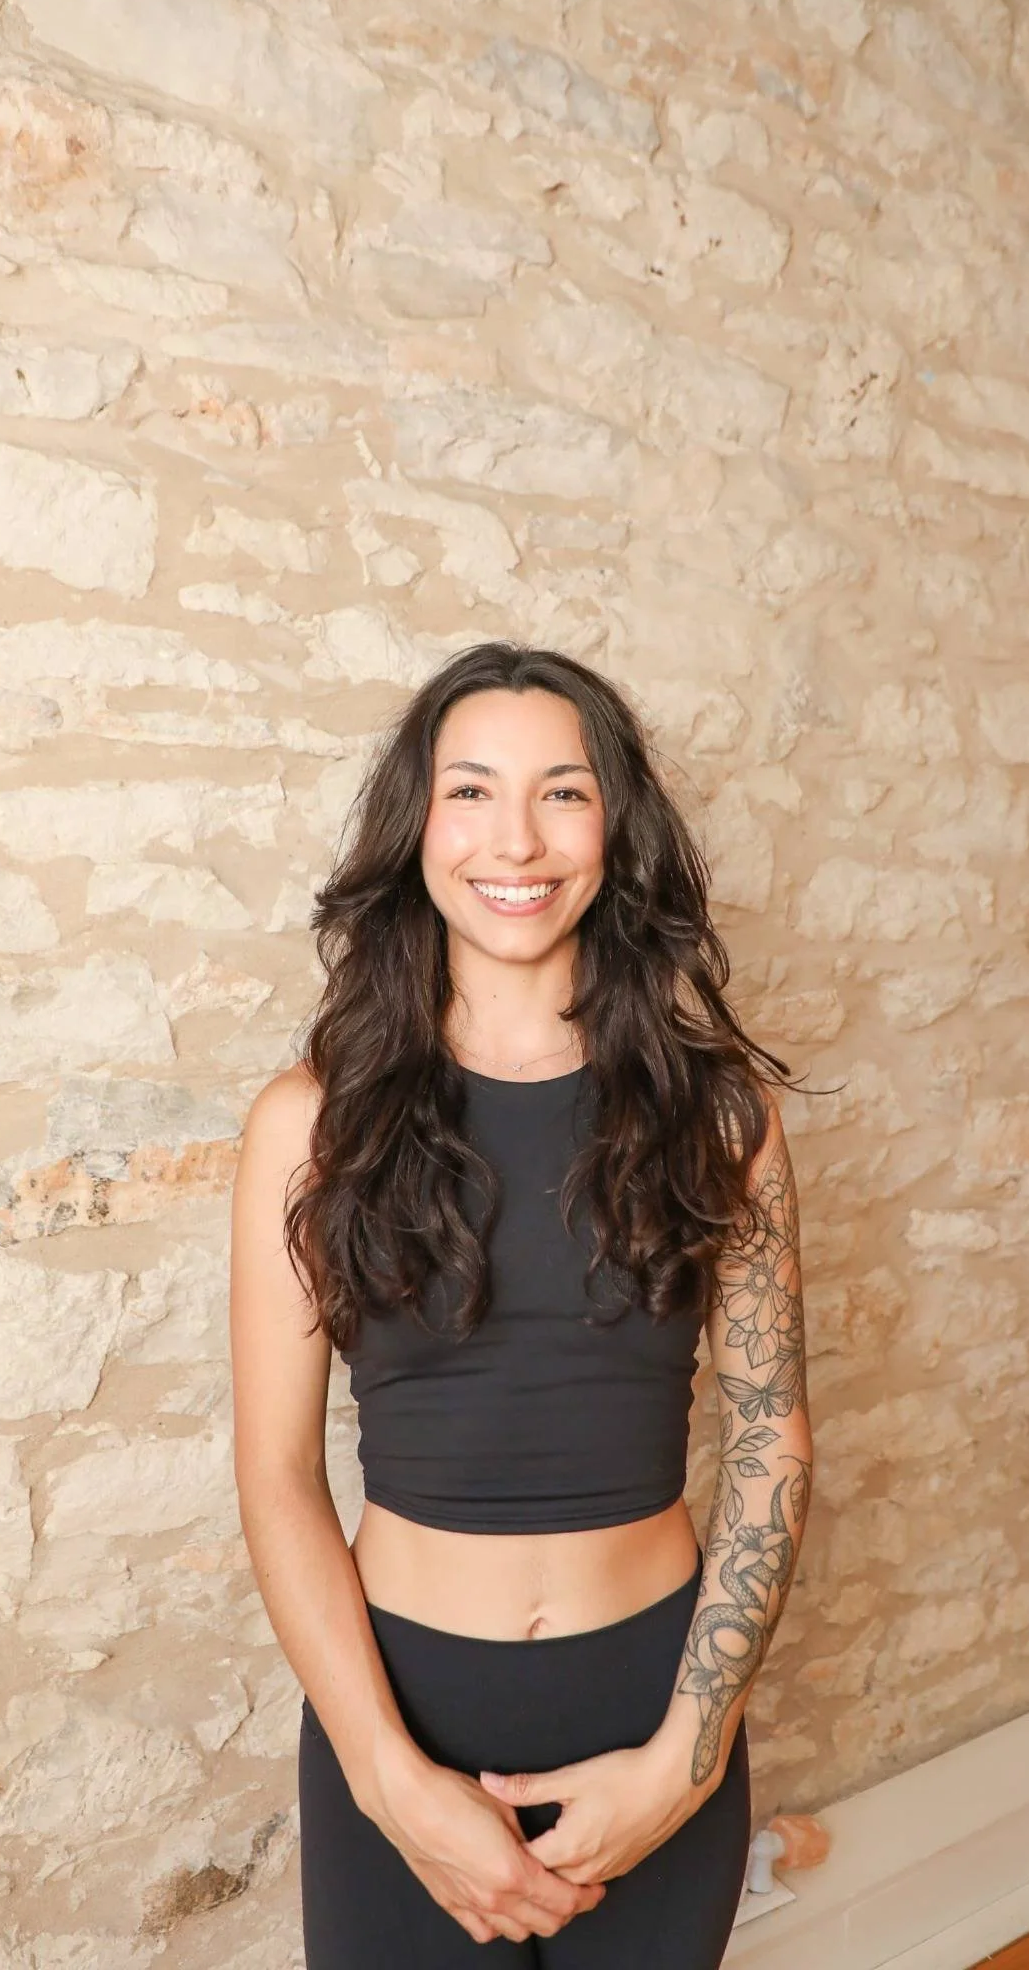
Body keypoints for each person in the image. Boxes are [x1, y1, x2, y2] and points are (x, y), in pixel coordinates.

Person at [230, 642, 814, 1967]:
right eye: (472, 790)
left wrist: (690, 1752)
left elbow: (774, 1435)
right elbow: (276, 1480)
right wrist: (391, 1783)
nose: (518, 837)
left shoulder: (722, 1117)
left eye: (563, 792)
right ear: (417, 825)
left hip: (655, 1698)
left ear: (616, 827)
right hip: (405, 1710)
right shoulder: (308, 1125)